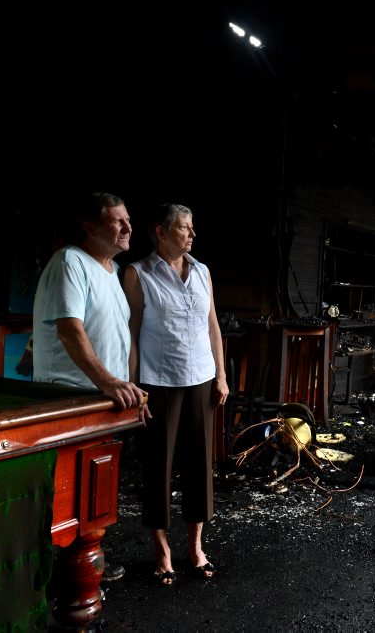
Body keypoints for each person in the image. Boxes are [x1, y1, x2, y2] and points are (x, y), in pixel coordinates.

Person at [33, 191, 150, 583]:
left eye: (128, 220)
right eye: (117, 221)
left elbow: (115, 338)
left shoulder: (112, 272)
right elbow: (70, 328)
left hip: (103, 397)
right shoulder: (70, 262)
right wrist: (108, 382)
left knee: (93, 486)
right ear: (90, 227)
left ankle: (85, 562)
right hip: (70, 396)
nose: (127, 227)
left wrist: (128, 389)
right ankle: (53, 574)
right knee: (64, 490)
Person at [122, 204, 228, 586]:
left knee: (200, 464)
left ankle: (196, 547)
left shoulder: (202, 272)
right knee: (158, 465)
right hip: (158, 382)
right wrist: (134, 386)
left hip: (200, 377)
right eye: (184, 227)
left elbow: (213, 326)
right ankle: (162, 549)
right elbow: (130, 334)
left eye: (192, 227)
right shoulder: (137, 273)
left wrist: (221, 375)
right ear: (161, 232)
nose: (192, 234)